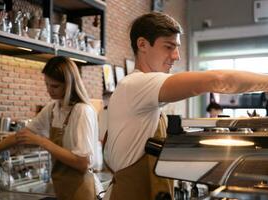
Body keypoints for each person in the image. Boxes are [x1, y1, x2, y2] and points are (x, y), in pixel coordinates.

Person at [103, 12, 268, 200]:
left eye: (177, 47)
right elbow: (219, 80)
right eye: (168, 47)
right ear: (142, 45)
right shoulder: (136, 85)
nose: (176, 56)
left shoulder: (139, 91)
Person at [0, 56, 102, 200]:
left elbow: (83, 163)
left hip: (83, 191)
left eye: (55, 86)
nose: (49, 91)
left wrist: (42, 141)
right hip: (63, 190)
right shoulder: (53, 109)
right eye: (47, 85)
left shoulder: (82, 111)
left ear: (69, 84)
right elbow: (18, 137)